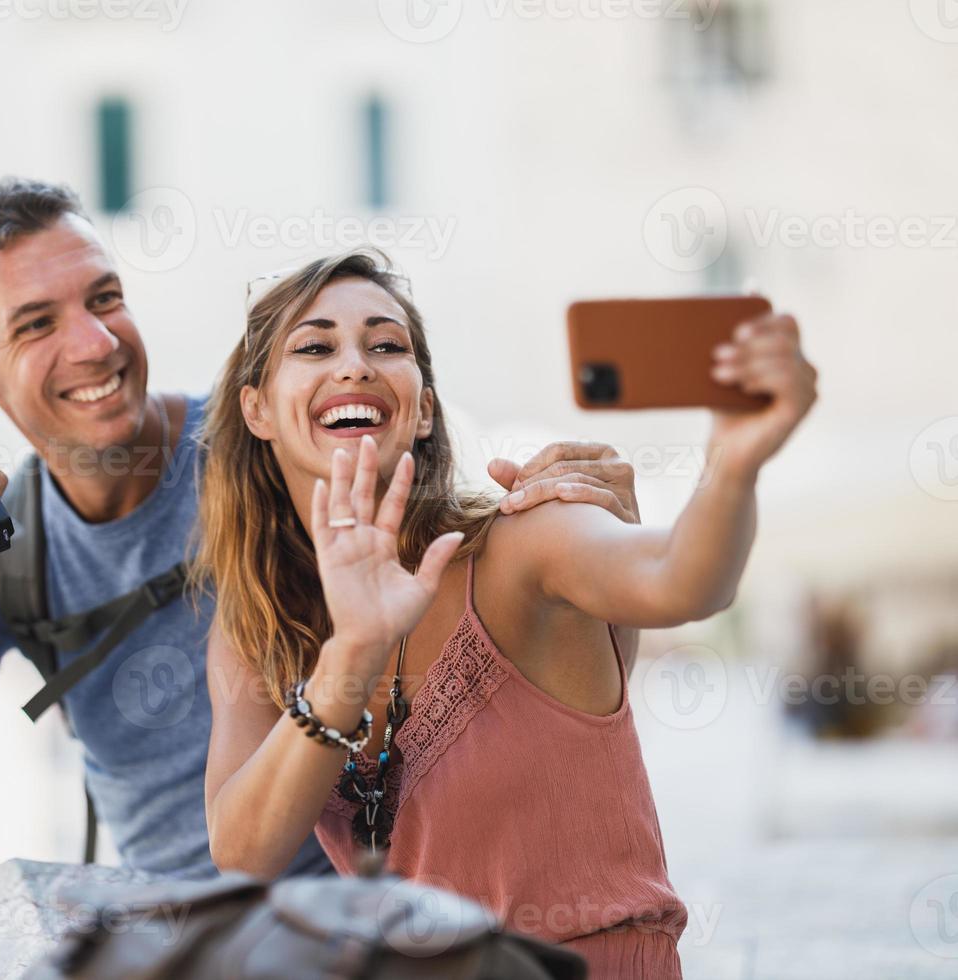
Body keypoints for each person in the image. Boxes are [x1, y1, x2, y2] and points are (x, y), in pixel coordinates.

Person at [0, 178, 649, 881]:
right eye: (36, 324)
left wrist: (580, 529)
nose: (94, 342)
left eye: (105, 298)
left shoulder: (283, 445)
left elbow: (493, 586)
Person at [199, 250, 817, 974]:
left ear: (423, 408)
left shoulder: (521, 541)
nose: (355, 365)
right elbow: (243, 853)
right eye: (314, 346)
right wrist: (351, 655)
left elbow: (681, 579)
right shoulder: (259, 623)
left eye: (386, 344)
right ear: (258, 409)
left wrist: (733, 467)